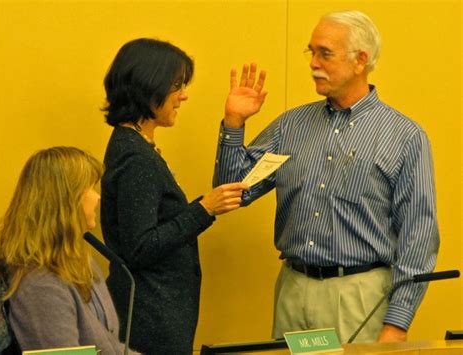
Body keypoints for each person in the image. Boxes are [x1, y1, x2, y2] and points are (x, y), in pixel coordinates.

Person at [213, 10, 439, 343]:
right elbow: (233, 192)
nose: (313, 62)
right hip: (294, 288)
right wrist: (234, 124)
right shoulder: (291, 126)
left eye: (325, 53)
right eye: (311, 52)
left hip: (359, 296)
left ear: (360, 60)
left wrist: (398, 321)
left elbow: (418, 234)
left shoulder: (405, 137)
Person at [101, 38, 248, 354]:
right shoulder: (135, 156)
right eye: (176, 86)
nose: (183, 96)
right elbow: (140, 247)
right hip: (150, 316)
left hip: (156, 310)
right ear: (148, 87)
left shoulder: (135, 146)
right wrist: (204, 209)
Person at [0, 146, 136, 354]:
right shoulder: (40, 285)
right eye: (91, 187)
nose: (98, 197)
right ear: (68, 200)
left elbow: (111, 347)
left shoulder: (83, 263)